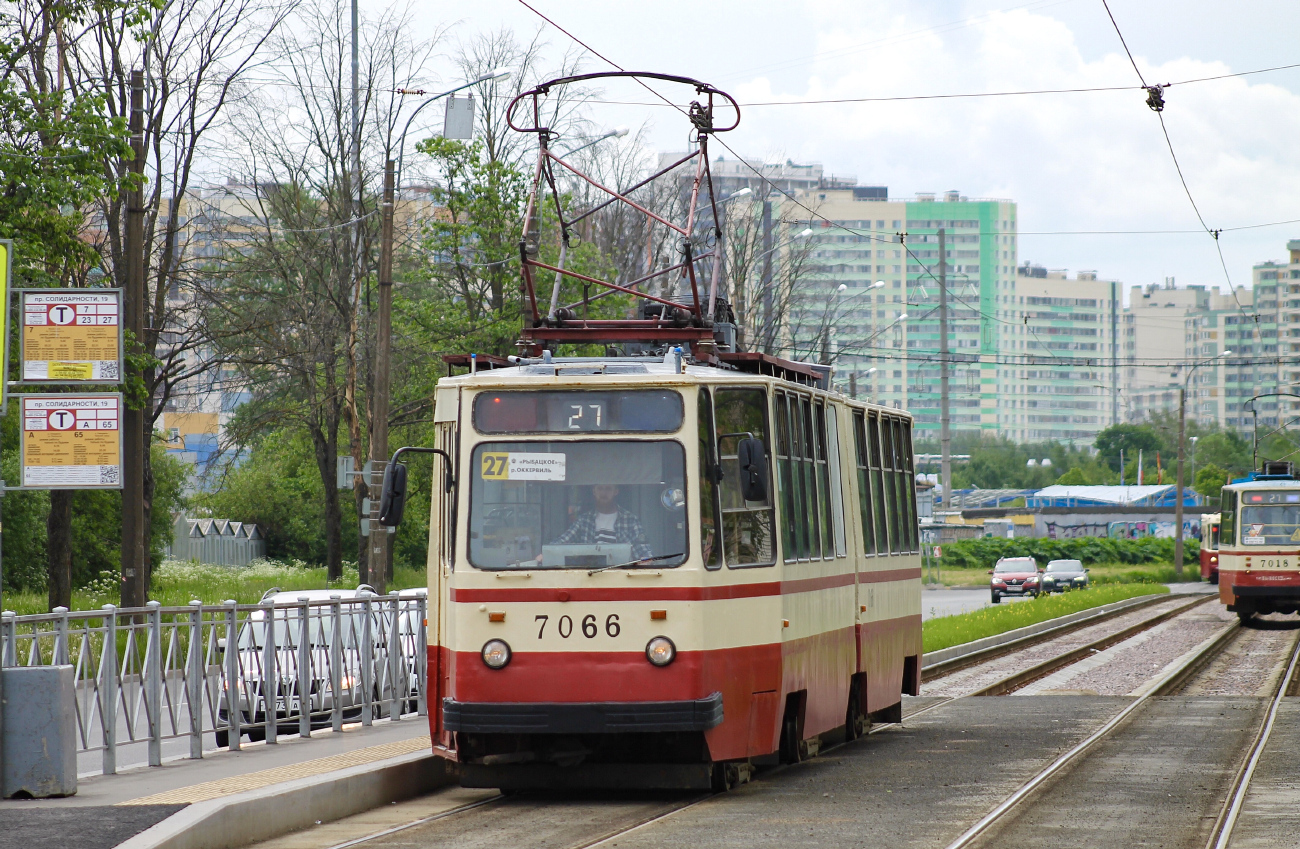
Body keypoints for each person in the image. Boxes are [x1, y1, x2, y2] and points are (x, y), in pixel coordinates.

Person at [540, 484, 652, 561]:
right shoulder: (584, 520)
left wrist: (647, 559)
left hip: (622, 576)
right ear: (594, 491)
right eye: (600, 488)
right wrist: (546, 554)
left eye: (608, 489)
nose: (604, 493)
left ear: (616, 492)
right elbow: (564, 540)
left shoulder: (630, 519)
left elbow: (643, 549)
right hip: (589, 577)